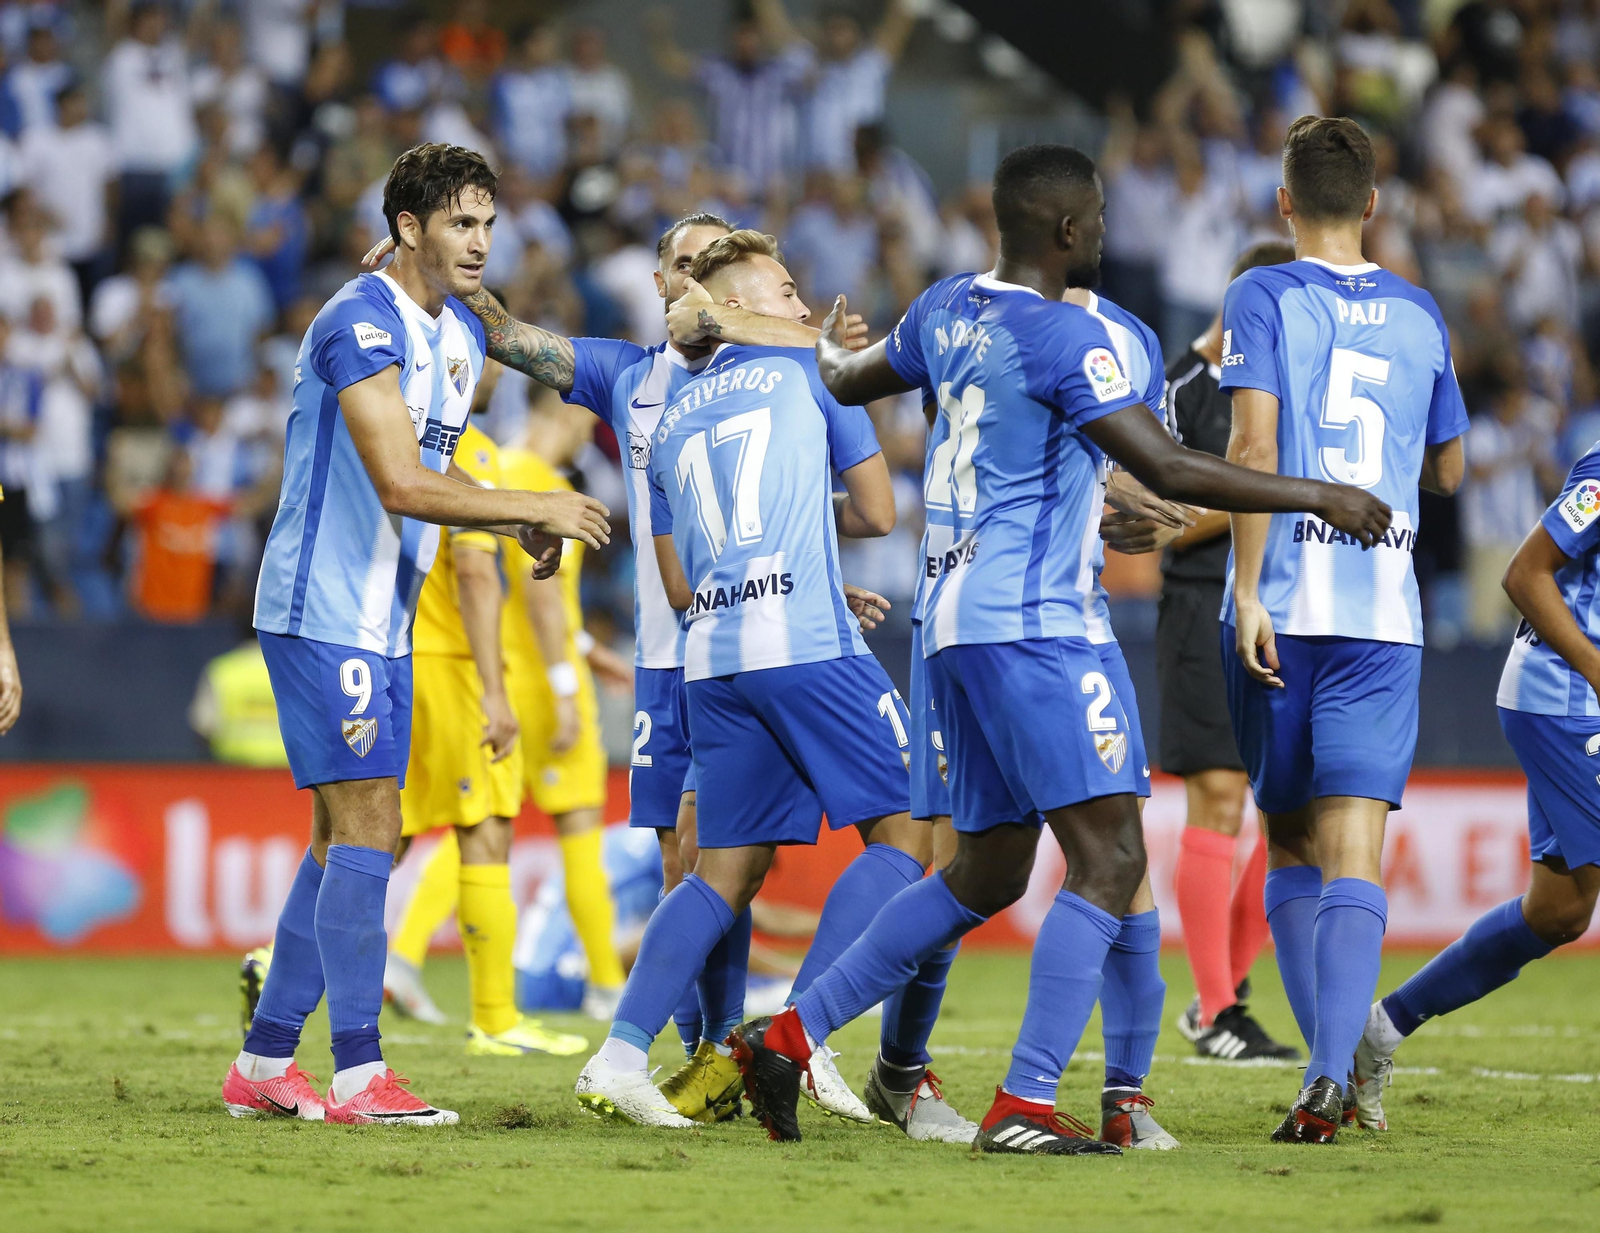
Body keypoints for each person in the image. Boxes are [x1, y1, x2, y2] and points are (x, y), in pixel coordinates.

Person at [726, 142, 1392, 1153]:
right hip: (1033, 623)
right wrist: (1321, 494)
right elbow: (1166, 459)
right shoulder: (1065, 338)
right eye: (1099, 222)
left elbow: (851, 377)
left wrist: (819, 346)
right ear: (1070, 232)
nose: (1106, 236)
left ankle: (787, 1032)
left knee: (985, 874)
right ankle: (1029, 1103)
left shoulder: (947, 305)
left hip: (947, 627)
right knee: (1112, 854)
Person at [378, 210, 876, 1122]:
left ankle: (733, 1053)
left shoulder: (777, 367)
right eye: (679, 266)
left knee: (739, 864)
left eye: (706, 267)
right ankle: (711, 1046)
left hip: (748, 637)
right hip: (666, 662)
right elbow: (508, 336)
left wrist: (825, 584)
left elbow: (792, 499)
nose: (690, 281)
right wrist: (437, 272)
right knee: (690, 862)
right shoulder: (629, 375)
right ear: (661, 284)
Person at [223, 142, 611, 1128]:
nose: (482, 242)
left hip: (384, 620)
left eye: (488, 222)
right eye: (459, 224)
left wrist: (512, 520)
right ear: (409, 229)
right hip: (320, 610)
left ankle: (266, 1061)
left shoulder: (462, 340)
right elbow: (400, 481)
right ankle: (359, 1076)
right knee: (370, 828)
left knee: (343, 839)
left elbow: (441, 485)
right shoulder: (356, 323)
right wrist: (530, 499)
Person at [571, 229, 918, 1131]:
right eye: (788, 289)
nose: (805, 307)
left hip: (713, 657)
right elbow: (880, 511)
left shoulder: (668, 415)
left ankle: (617, 1056)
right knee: (915, 830)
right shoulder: (815, 369)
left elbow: (678, 576)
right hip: (806, 639)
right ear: (744, 306)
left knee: (719, 874)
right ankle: (798, 1037)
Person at [1220, 116, 1467, 1143]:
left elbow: (1252, 439)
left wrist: (1244, 589)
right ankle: (1331, 1078)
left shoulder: (1261, 293)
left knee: (1286, 839)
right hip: (1381, 613)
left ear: (1284, 204)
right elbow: (1449, 471)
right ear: (1372, 205)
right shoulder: (1419, 312)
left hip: (1284, 604)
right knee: (1354, 840)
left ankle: (1321, 1067)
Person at [1351, 437, 1600, 1130]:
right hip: (1570, 698)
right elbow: (1525, 574)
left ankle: (1379, 1032)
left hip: (1573, 701)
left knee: (1559, 911)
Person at [384, 416, 588, 1060]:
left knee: (382, 832)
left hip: (400, 651)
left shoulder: (397, 431)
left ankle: (278, 962)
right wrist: (497, 692)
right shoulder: (465, 448)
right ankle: (496, 1017)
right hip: (456, 667)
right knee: (488, 826)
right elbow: (476, 574)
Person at [1162, 241, 1303, 1064]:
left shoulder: (1279, 385)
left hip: (1278, 606)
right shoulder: (1179, 385)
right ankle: (1217, 1010)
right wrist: (1259, 483)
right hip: (1197, 605)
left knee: (1292, 811)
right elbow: (1163, 520)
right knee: (1217, 794)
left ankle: (1222, 988)